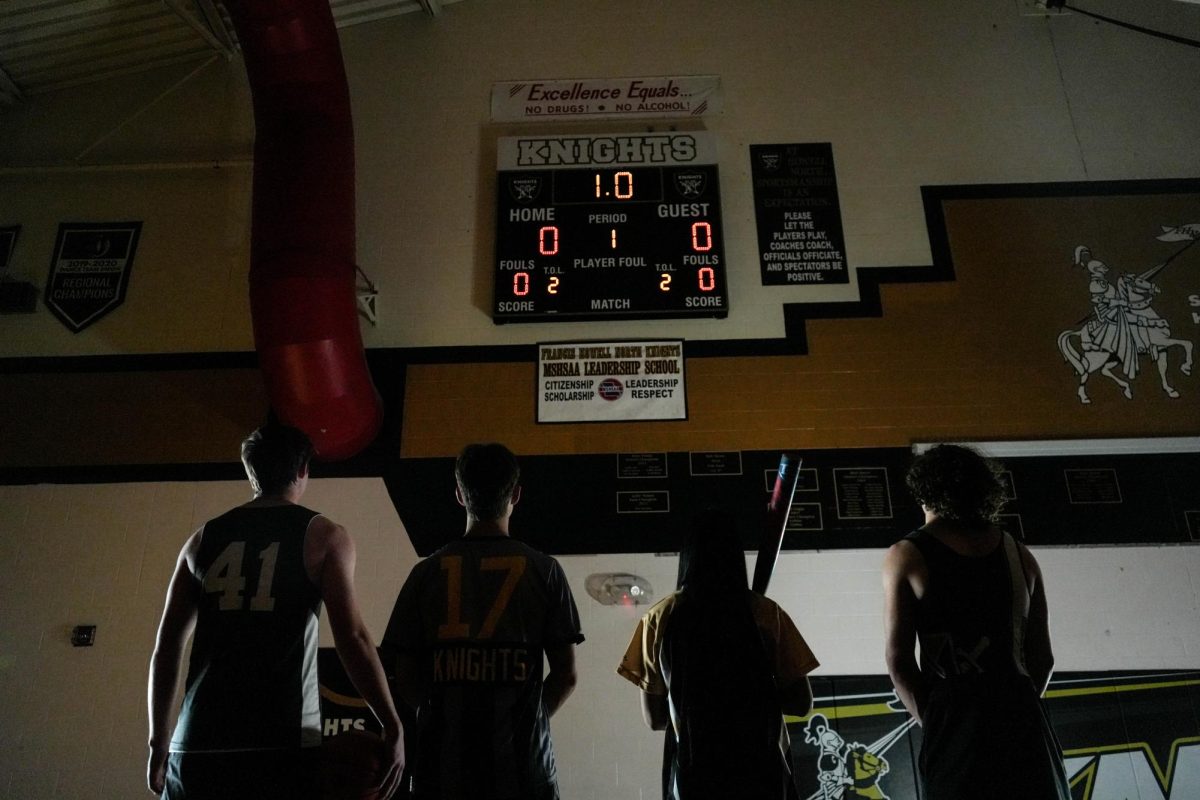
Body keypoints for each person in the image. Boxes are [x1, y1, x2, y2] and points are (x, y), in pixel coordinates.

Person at [147, 422, 405, 799]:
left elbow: (166, 649)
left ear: (250, 471)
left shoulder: (200, 540)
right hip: (282, 742)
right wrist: (392, 723)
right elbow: (353, 638)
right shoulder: (325, 536)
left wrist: (158, 740)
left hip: (197, 743)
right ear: (302, 471)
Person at [382, 443, 584, 800]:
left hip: (441, 773)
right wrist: (527, 723)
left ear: (459, 495)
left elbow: (405, 677)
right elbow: (566, 675)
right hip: (525, 773)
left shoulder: (425, 573)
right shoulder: (546, 571)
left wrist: (444, 718)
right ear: (516, 495)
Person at [882, 444, 1070, 800]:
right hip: (1023, 720)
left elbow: (898, 661)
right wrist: (1015, 709)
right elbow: (1042, 660)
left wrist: (937, 720)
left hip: (954, 719)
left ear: (924, 492)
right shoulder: (1021, 554)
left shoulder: (905, 556)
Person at [617, 510, 819, 800]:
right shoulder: (766, 614)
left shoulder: (658, 619)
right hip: (762, 774)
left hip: (695, 776)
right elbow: (801, 703)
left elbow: (654, 718)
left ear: (686, 558)